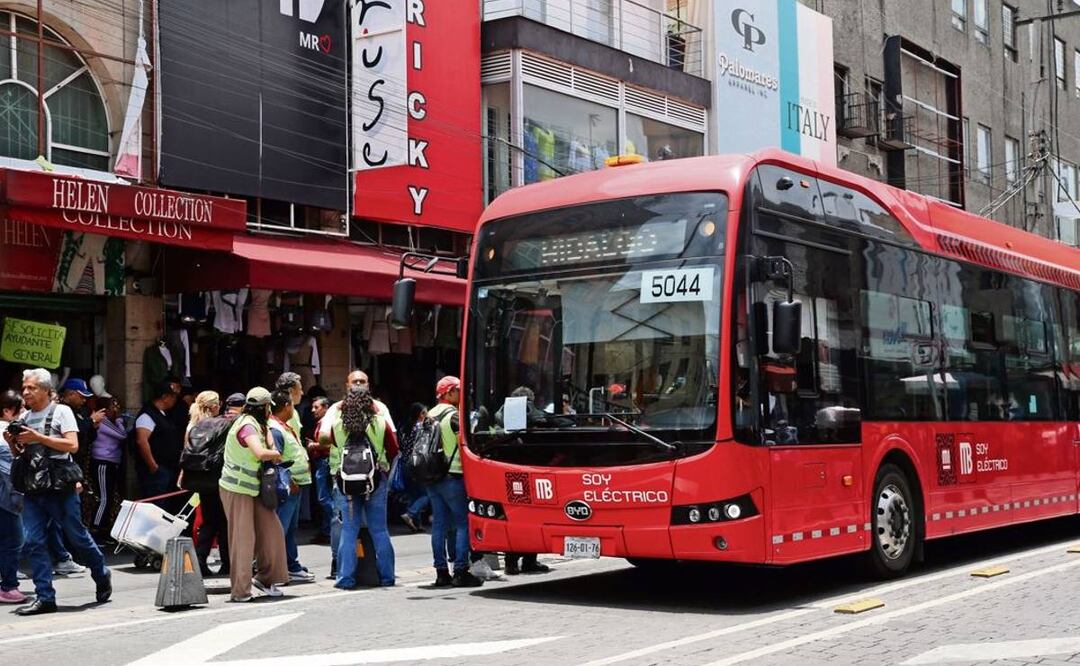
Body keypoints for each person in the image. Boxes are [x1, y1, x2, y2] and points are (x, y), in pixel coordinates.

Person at [4, 369, 112, 615]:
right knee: (34, 541)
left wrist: (38, 437)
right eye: (24, 388)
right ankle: (45, 597)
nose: (26, 392)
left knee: (77, 537)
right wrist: (13, 443)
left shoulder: (62, 411)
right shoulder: (25, 416)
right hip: (34, 487)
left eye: (31, 388)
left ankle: (101, 572)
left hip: (60, 487)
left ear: (45, 390)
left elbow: (72, 445)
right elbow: (23, 454)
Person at [218, 387, 288, 602]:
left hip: (253, 488)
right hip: (237, 489)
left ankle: (265, 579)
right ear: (265, 407)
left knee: (272, 531)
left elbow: (269, 442)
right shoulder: (247, 426)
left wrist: (268, 432)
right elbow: (260, 452)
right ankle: (240, 591)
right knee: (243, 539)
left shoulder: (258, 424)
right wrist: (276, 454)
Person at [331, 387, 397, 589]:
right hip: (374, 480)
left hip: (347, 483)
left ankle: (345, 578)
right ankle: (387, 577)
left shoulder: (338, 424)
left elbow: (330, 444)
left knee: (349, 530)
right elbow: (394, 448)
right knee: (379, 530)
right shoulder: (380, 422)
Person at [426, 376, 483, 588]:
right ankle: (460, 571)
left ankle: (441, 572)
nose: (462, 394)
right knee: (463, 524)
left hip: (432, 478)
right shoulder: (453, 416)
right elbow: (467, 443)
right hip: (453, 476)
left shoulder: (428, 415)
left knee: (439, 525)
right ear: (448, 393)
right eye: (458, 390)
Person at [268, 389, 314, 582]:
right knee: (282, 528)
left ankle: (291, 565)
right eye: (292, 405)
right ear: (286, 406)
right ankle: (274, 569)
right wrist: (290, 481)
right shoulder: (275, 429)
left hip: (295, 485)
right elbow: (276, 459)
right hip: (288, 487)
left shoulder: (282, 426)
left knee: (290, 529)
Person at [186, 390, 230, 577]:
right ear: (213, 407)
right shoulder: (220, 425)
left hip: (199, 480)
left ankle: (200, 560)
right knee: (224, 522)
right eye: (218, 403)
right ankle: (227, 563)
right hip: (217, 478)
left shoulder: (192, 425)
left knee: (208, 521)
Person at [133, 381, 183, 505]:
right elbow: (142, 441)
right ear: (164, 397)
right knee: (156, 504)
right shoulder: (147, 415)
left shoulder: (164, 415)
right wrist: (153, 466)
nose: (175, 400)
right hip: (156, 472)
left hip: (167, 468)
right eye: (173, 396)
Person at [0, 390, 27, 603]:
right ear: (8, 411)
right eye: (22, 408)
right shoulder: (5, 434)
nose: (25, 412)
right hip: (6, 499)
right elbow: (12, 473)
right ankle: (8, 586)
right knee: (14, 540)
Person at [88, 396, 126, 543]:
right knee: (104, 498)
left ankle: (103, 529)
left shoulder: (107, 421)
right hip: (102, 462)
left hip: (110, 461)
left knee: (108, 497)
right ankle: (95, 529)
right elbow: (122, 434)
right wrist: (120, 420)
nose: (116, 410)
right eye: (113, 407)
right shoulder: (103, 421)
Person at [397, 402, 431, 532]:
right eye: (424, 413)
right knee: (427, 494)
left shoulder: (403, 428)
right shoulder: (420, 428)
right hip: (418, 464)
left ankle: (416, 524)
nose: (426, 416)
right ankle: (410, 513)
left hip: (405, 463)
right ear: (419, 414)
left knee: (413, 494)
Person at [307, 396, 333, 545]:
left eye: (316, 407)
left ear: (325, 408)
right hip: (321, 461)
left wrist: (314, 446)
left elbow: (330, 444)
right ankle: (326, 530)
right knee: (325, 497)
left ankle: (336, 523)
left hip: (325, 461)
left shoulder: (327, 424)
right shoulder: (321, 423)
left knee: (324, 498)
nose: (313, 410)